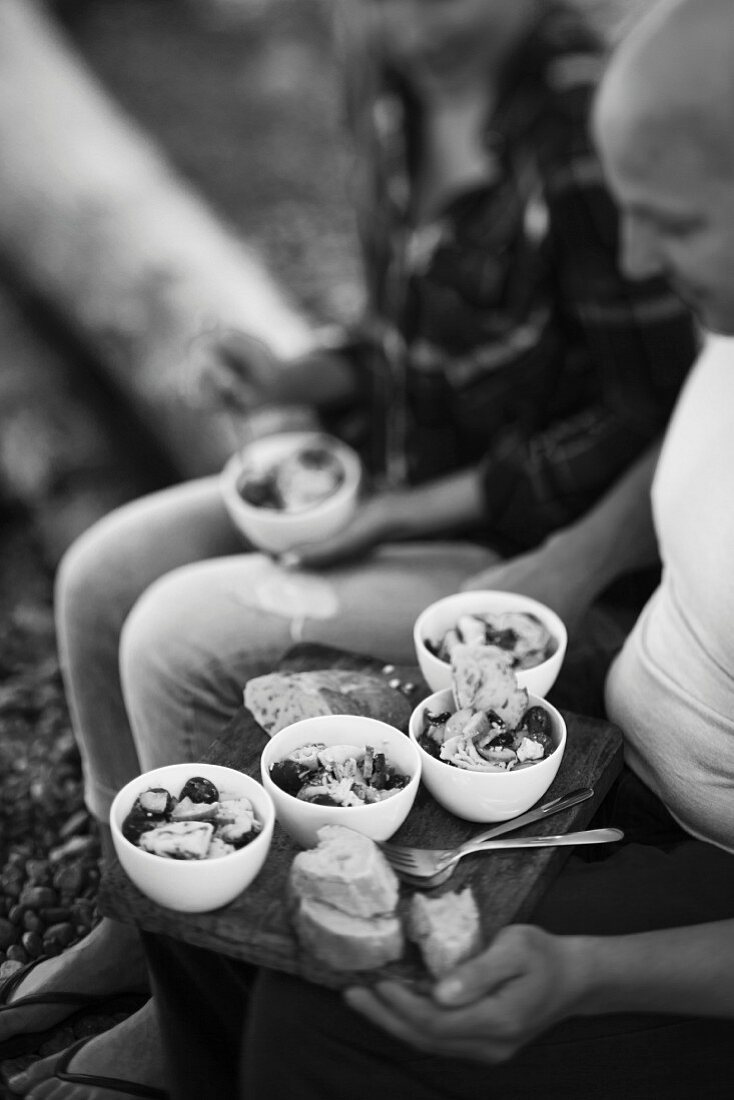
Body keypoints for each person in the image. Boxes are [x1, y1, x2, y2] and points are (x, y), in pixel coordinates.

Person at [1, 2, 696, 1097]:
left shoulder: (584, 127)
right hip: (395, 486)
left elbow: (650, 405)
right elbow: (401, 336)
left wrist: (420, 519)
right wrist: (296, 380)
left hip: (518, 549)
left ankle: (194, 994)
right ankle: (139, 915)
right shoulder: (392, 81)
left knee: (178, 635)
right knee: (103, 572)